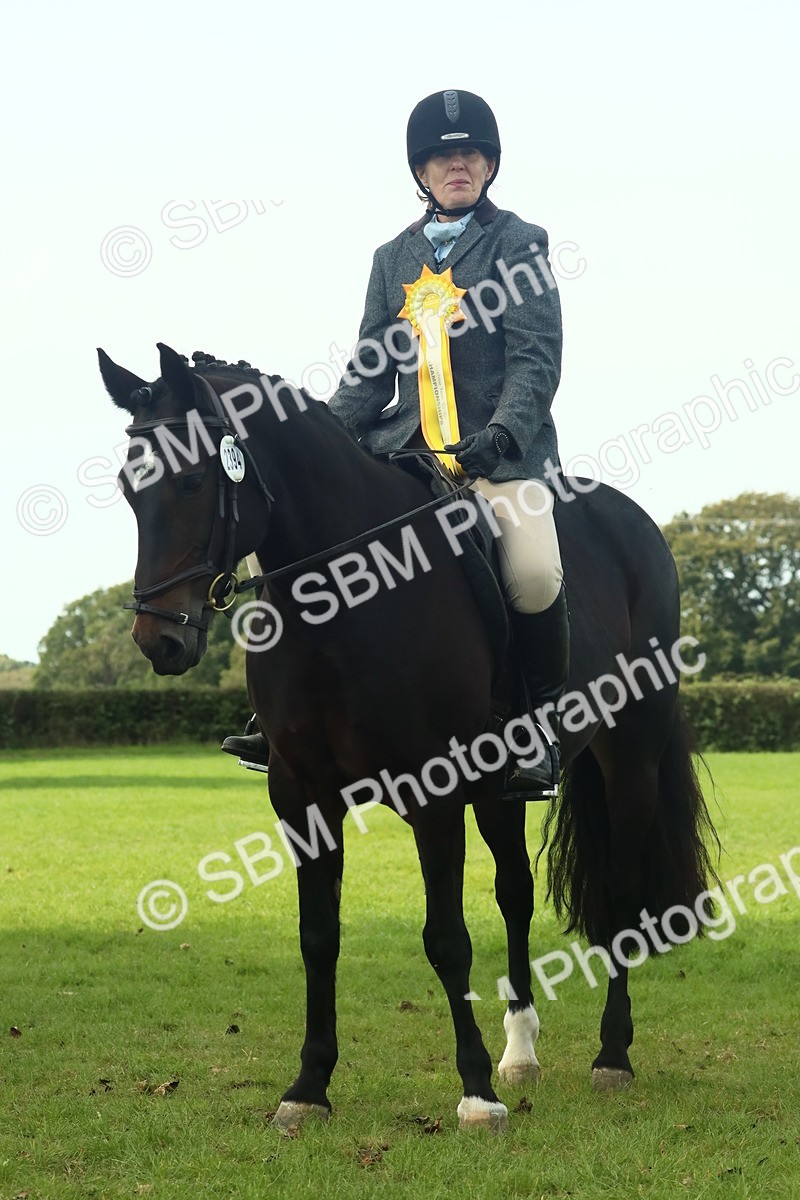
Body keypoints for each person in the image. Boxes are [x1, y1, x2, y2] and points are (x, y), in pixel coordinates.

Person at [223, 88, 569, 798]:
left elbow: (536, 358)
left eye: (471, 153)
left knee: (533, 573)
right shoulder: (392, 257)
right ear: (421, 170)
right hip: (404, 459)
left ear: (490, 164)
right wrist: (315, 438)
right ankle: (278, 716)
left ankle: (536, 728)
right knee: (299, 538)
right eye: (444, 157)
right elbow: (369, 370)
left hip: (496, 461)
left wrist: (501, 434)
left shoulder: (518, 243)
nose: (458, 164)